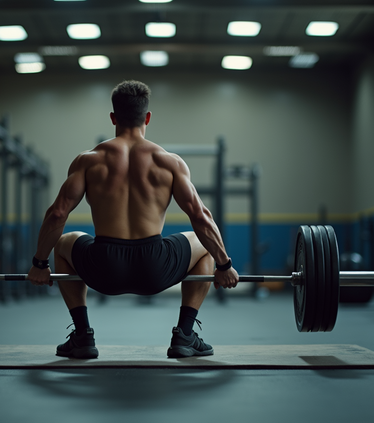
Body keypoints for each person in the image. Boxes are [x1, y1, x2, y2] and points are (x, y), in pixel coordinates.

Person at [27, 80, 239, 359]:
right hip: (154, 267)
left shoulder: (88, 161)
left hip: (103, 268)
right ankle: (184, 336)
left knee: (65, 241)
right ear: (147, 117)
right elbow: (200, 216)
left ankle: (82, 336)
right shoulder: (169, 162)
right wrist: (224, 264)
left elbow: (57, 214)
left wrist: (39, 264)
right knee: (202, 245)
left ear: (113, 117)